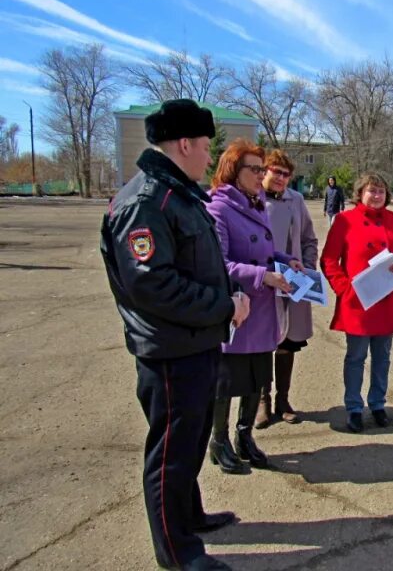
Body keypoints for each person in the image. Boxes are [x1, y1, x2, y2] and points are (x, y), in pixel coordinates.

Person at [100, 99, 249, 571]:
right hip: (170, 350)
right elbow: (153, 284)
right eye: (206, 147)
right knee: (170, 455)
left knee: (189, 443)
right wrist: (226, 305)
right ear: (184, 144)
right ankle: (178, 554)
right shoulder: (147, 201)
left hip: (196, 341)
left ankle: (188, 517)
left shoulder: (178, 194)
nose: (209, 156)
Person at [205, 139, 302, 475]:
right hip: (238, 310)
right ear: (235, 170)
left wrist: (285, 259)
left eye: (263, 169)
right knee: (226, 384)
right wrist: (265, 276)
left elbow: (265, 251)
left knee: (256, 379)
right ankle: (219, 441)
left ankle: (244, 436)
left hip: (262, 312)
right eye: (255, 169)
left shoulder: (256, 202)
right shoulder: (218, 208)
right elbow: (219, 264)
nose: (262, 175)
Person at [320, 173, 393, 433]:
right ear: (360, 192)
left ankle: (377, 403)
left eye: (381, 192)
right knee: (356, 356)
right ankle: (353, 407)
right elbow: (329, 260)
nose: (377, 196)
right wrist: (343, 289)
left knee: (383, 357)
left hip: (387, 299)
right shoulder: (344, 221)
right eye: (371, 191)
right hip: (358, 302)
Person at [255, 149, 319, 427]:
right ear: (264, 171)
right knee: (260, 343)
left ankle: (283, 399)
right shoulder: (251, 199)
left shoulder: (297, 200)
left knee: (287, 343)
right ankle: (262, 400)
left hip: (292, 282)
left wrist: (305, 265)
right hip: (261, 281)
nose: (281, 178)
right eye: (276, 171)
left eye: (286, 174)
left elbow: (309, 238)